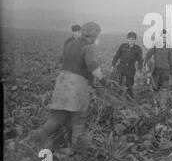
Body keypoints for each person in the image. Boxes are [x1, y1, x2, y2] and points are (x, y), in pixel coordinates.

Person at [29, 22, 107, 152]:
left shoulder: (70, 43)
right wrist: (103, 80)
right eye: (97, 35)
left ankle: (39, 135)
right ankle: (77, 147)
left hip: (62, 81)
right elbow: (93, 67)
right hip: (76, 84)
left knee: (58, 116)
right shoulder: (88, 47)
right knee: (79, 116)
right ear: (94, 36)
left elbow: (66, 62)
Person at [112, 31, 143, 99]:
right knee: (119, 83)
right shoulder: (122, 46)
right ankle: (118, 96)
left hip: (130, 68)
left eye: (133, 39)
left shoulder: (138, 48)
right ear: (127, 39)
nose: (131, 41)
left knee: (129, 84)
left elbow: (140, 60)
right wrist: (113, 64)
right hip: (121, 67)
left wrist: (140, 69)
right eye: (129, 39)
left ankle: (129, 98)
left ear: (135, 40)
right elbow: (117, 55)